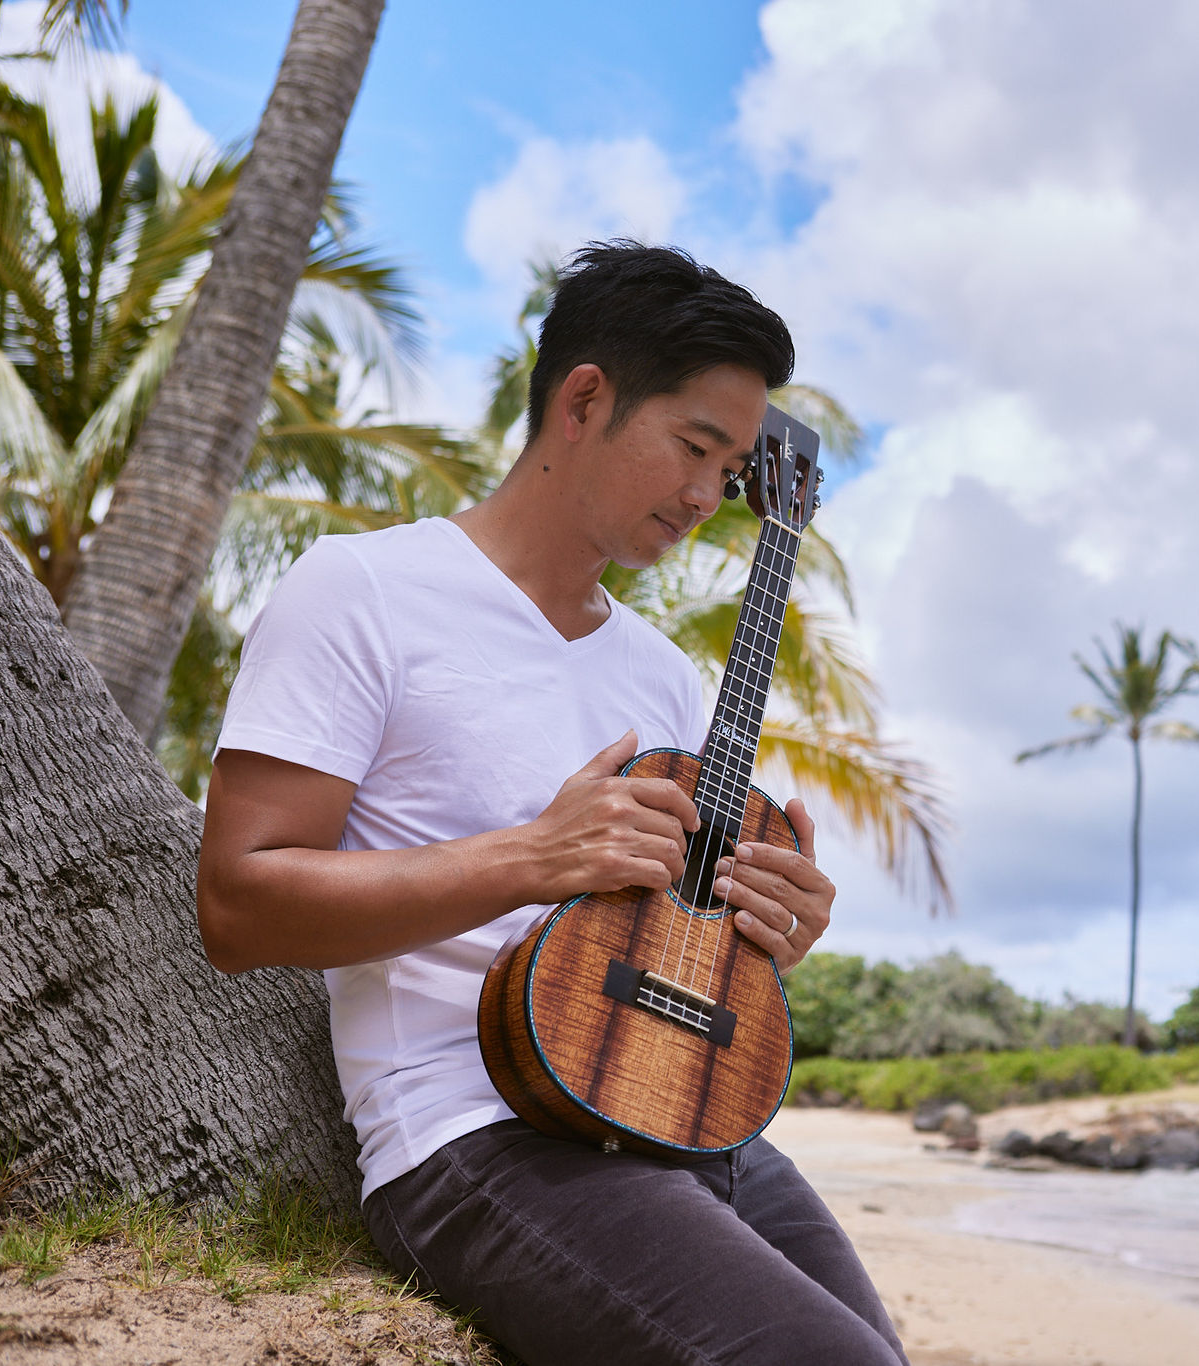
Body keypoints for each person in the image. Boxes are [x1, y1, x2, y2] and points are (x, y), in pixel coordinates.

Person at [195, 240, 908, 1366]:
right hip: (476, 1130)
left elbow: (655, 930)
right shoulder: (364, 588)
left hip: (681, 1105)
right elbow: (238, 905)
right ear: (585, 398)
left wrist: (769, 929)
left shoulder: (670, 678)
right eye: (694, 447)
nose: (705, 495)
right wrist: (531, 856)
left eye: (730, 471)